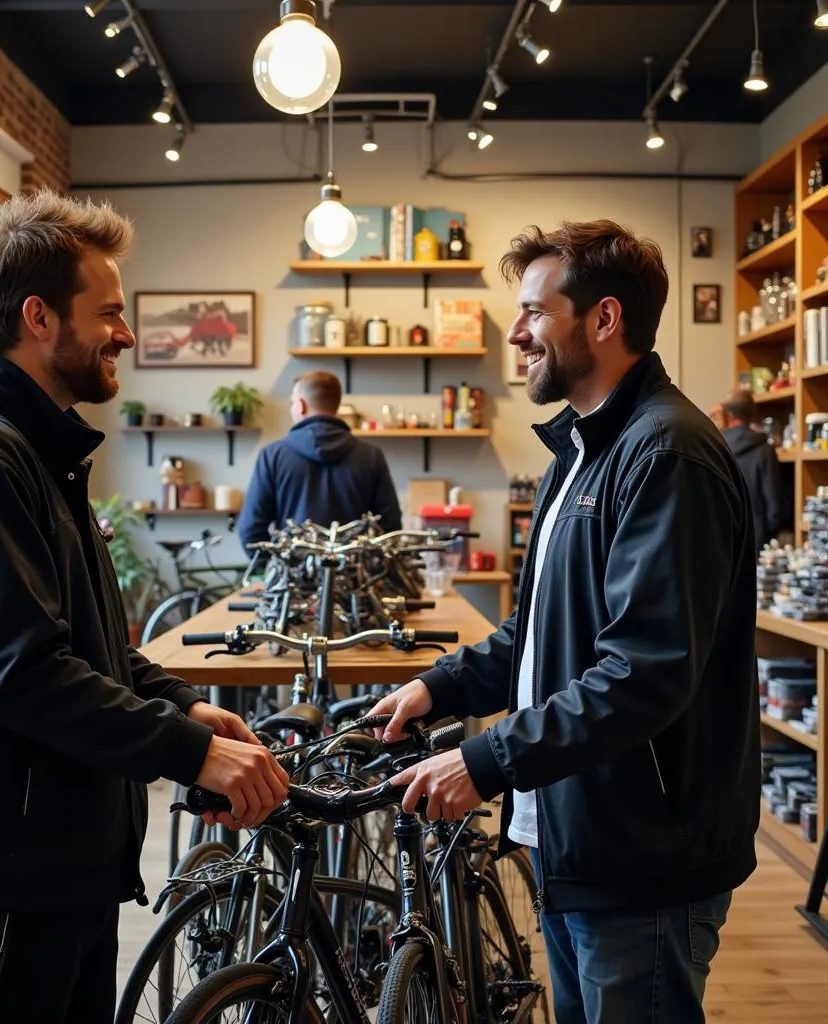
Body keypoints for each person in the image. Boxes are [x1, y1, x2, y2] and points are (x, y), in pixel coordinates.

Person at [0, 188, 289, 1024]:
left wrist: (187, 708)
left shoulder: (33, 449)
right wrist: (187, 753)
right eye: (108, 312)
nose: (127, 335)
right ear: (38, 316)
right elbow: (24, 675)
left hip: (50, 864)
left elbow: (90, 647)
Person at [372, 220, 760, 1024]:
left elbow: (642, 672)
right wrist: (438, 686)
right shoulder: (583, 453)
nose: (516, 334)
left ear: (605, 319)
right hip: (575, 836)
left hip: (642, 854)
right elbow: (540, 630)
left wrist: (487, 758)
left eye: (534, 313)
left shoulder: (667, 456)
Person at [236, 370, 402, 547]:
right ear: (336, 405)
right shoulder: (370, 456)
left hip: (292, 571)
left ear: (301, 405)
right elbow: (390, 528)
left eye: (292, 403)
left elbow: (251, 530)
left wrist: (271, 566)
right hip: (353, 572)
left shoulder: (272, 456)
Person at [720, 387, 783, 552]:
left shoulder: (716, 445)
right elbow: (773, 504)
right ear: (753, 413)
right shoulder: (764, 449)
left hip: (722, 537)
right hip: (757, 538)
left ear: (729, 414)